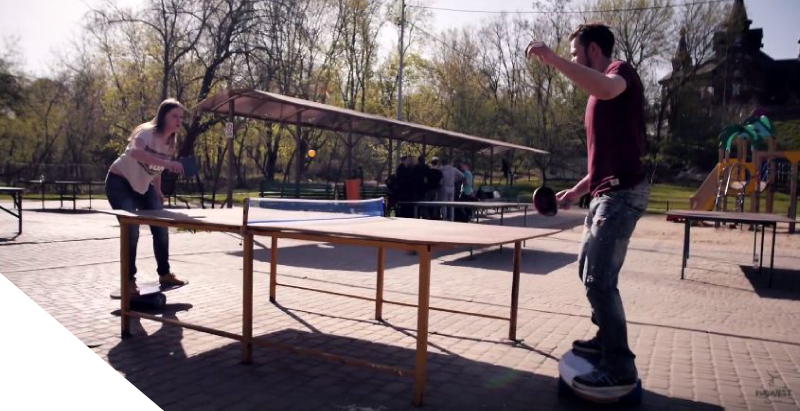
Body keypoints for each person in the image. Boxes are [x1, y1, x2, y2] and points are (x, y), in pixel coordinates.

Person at [527, 23, 650, 394]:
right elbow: (605, 159)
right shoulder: (597, 94)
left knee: (599, 279)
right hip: (604, 193)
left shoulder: (619, 73)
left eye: (577, 52)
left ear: (593, 50)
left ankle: (619, 366)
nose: (574, 60)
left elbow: (606, 87)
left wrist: (551, 58)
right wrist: (575, 191)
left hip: (622, 195)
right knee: (586, 270)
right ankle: (604, 339)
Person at [105, 98, 188, 295]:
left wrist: (158, 190)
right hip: (120, 182)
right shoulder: (146, 133)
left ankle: (165, 274)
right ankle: (129, 281)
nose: (179, 121)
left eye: (181, 117)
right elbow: (135, 152)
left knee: (161, 227)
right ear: (162, 117)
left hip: (144, 186)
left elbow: (156, 169)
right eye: (174, 116)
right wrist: (168, 165)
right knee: (131, 231)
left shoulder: (170, 143)